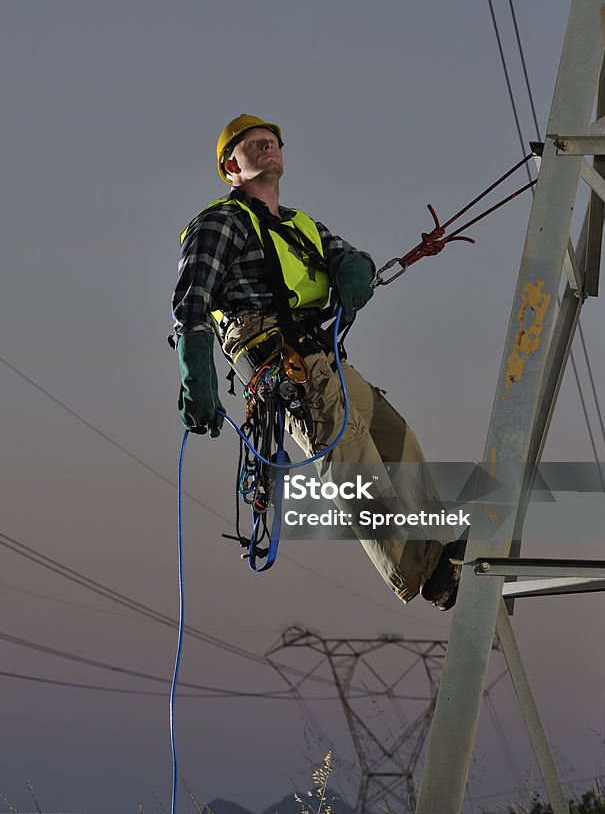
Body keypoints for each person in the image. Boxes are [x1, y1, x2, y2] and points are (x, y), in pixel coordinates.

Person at [172, 113, 464, 609]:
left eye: (272, 141)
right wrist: (195, 376)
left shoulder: (302, 225)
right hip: (277, 357)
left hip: (320, 355)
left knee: (397, 439)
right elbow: (191, 303)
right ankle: (419, 571)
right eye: (252, 144)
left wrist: (356, 270)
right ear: (231, 167)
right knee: (350, 457)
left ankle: (439, 552)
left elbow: (350, 256)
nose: (267, 146)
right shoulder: (219, 223)